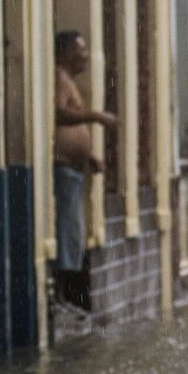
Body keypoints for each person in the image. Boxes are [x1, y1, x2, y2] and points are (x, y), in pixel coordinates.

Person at [53, 30, 118, 311]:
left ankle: (68, 294)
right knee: (69, 232)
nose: (86, 57)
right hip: (64, 169)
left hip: (75, 168)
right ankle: (63, 294)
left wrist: (88, 153)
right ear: (66, 52)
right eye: (80, 51)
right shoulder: (58, 77)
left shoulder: (67, 80)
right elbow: (59, 114)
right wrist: (96, 117)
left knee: (75, 232)